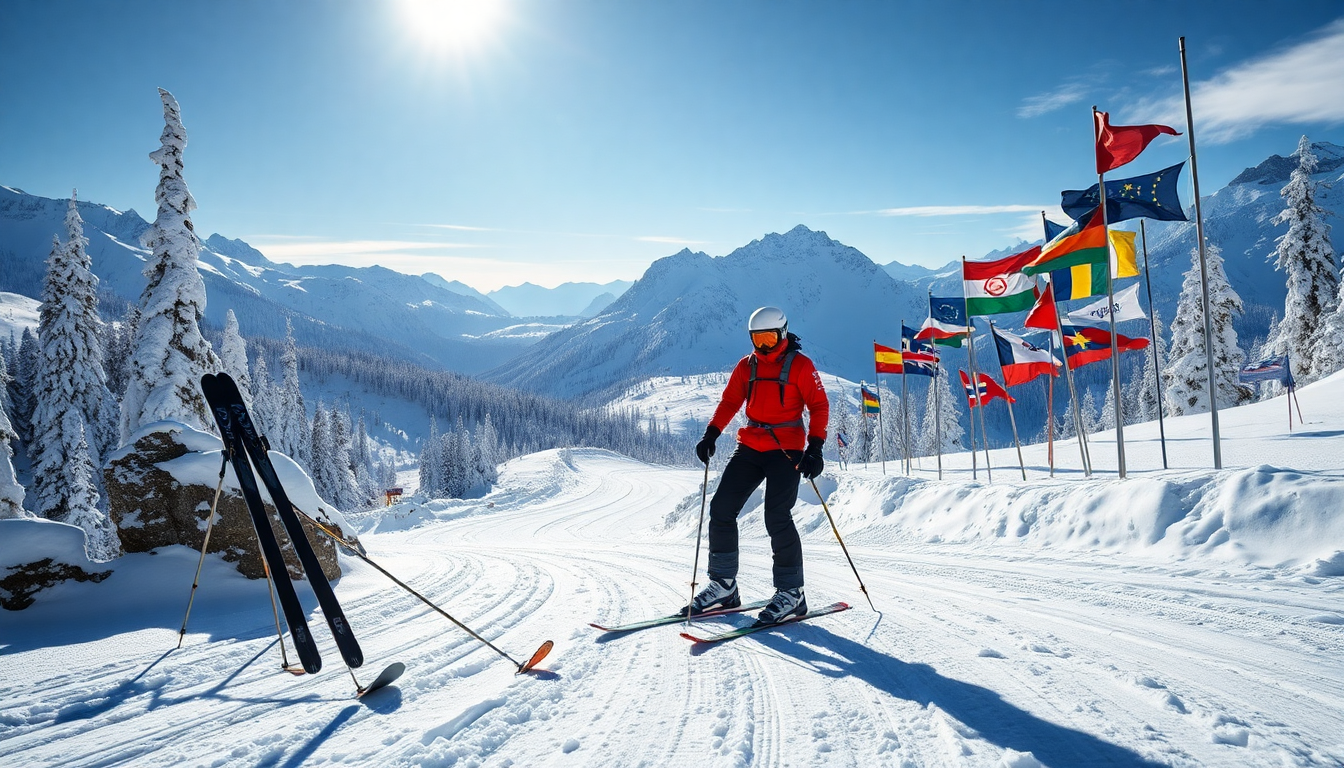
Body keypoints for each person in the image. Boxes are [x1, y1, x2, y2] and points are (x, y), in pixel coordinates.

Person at [684, 306, 829, 625]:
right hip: (750, 444)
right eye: (757, 339)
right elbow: (730, 400)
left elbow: (818, 406)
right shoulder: (746, 366)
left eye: (769, 338)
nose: (763, 346)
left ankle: (792, 593)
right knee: (721, 508)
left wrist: (814, 447)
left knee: (776, 515)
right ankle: (724, 586)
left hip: (787, 448)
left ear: (782, 334)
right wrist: (712, 433)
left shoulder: (801, 366)